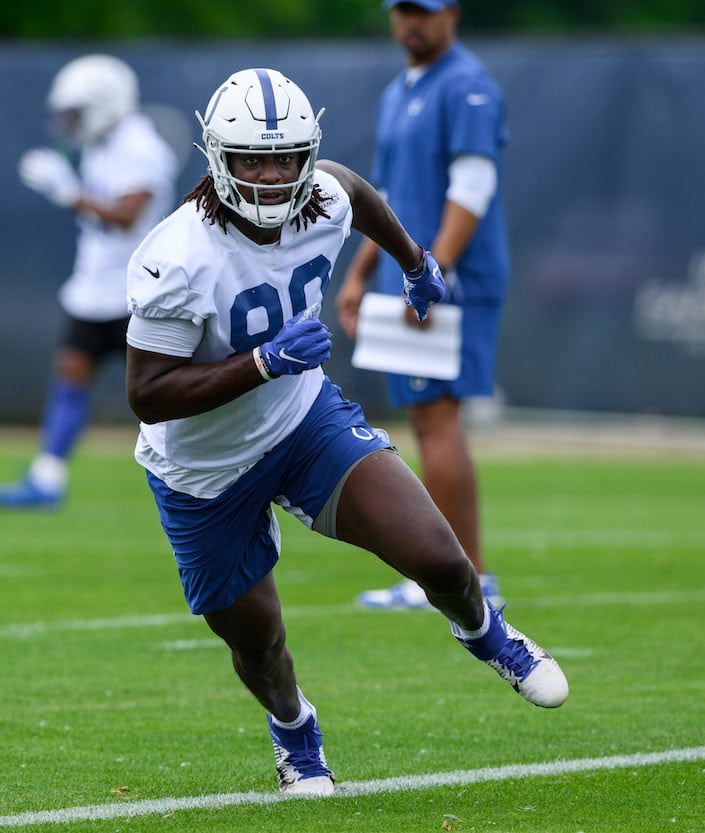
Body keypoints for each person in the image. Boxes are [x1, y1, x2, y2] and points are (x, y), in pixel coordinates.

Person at [124, 67, 567, 797]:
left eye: (285, 157)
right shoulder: (179, 255)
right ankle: (296, 732)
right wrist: (261, 361)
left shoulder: (321, 194)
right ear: (218, 158)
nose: (271, 176)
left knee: (441, 559)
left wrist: (415, 261)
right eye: (252, 160)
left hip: (302, 423)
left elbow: (355, 190)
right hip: (205, 473)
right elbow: (146, 394)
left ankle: (488, 633)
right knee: (260, 643)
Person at [337, 0, 509, 610]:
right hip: (409, 276)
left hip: (447, 282)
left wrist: (431, 274)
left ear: (453, 13)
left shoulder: (466, 86)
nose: (412, 22)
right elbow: (379, 198)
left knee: (437, 419)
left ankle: (465, 577)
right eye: (402, 10)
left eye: (424, 11)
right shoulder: (399, 90)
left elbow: (473, 187)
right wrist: (360, 271)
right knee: (425, 417)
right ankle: (456, 574)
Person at [0, 54, 179, 510]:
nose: (71, 123)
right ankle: (47, 479)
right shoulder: (100, 144)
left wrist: (69, 193)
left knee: (163, 396)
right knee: (70, 376)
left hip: (139, 294)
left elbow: (128, 216)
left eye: (77, 112)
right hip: (93, 289)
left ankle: (207, 477)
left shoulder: (142, 147)